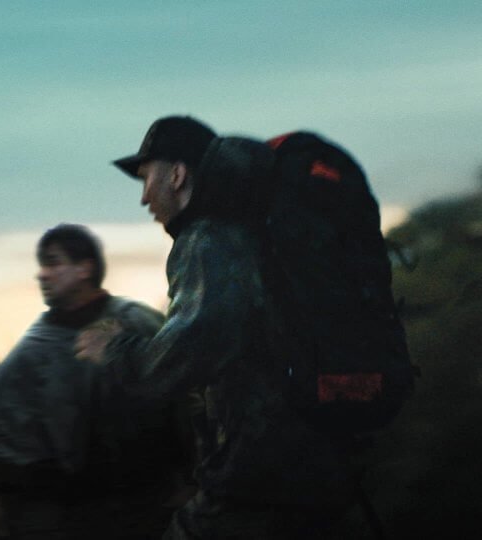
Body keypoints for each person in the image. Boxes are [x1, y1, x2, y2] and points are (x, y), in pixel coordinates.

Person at [76, 117, 372, 539]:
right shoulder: (264, 234)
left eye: (146, 178)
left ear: (177, 175)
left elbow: (190, 351)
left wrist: (113, 349)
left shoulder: (209, 239)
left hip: (258, 479)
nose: (143, 197)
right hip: (327, 460)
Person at [0, 223, 187, 539]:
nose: (42, 275)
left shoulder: (133, 321)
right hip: (56, 513)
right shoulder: (34, 347)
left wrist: (188, 477)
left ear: (84, 269)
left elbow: (179, 392)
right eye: (42, 266)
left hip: (141, 502)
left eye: (53, 263)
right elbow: (1, 426)